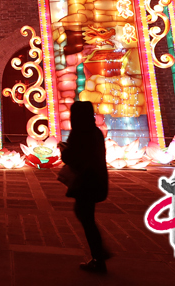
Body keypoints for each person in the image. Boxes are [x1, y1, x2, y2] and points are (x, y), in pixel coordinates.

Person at [60, 101, 110, 273]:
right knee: (84, 215)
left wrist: (64, 150)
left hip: (85, 182)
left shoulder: (80, 133)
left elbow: (72, 157)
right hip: (97, 180)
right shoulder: (95, 132)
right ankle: (99, 253)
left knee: (86, 218)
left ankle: (99, 257)